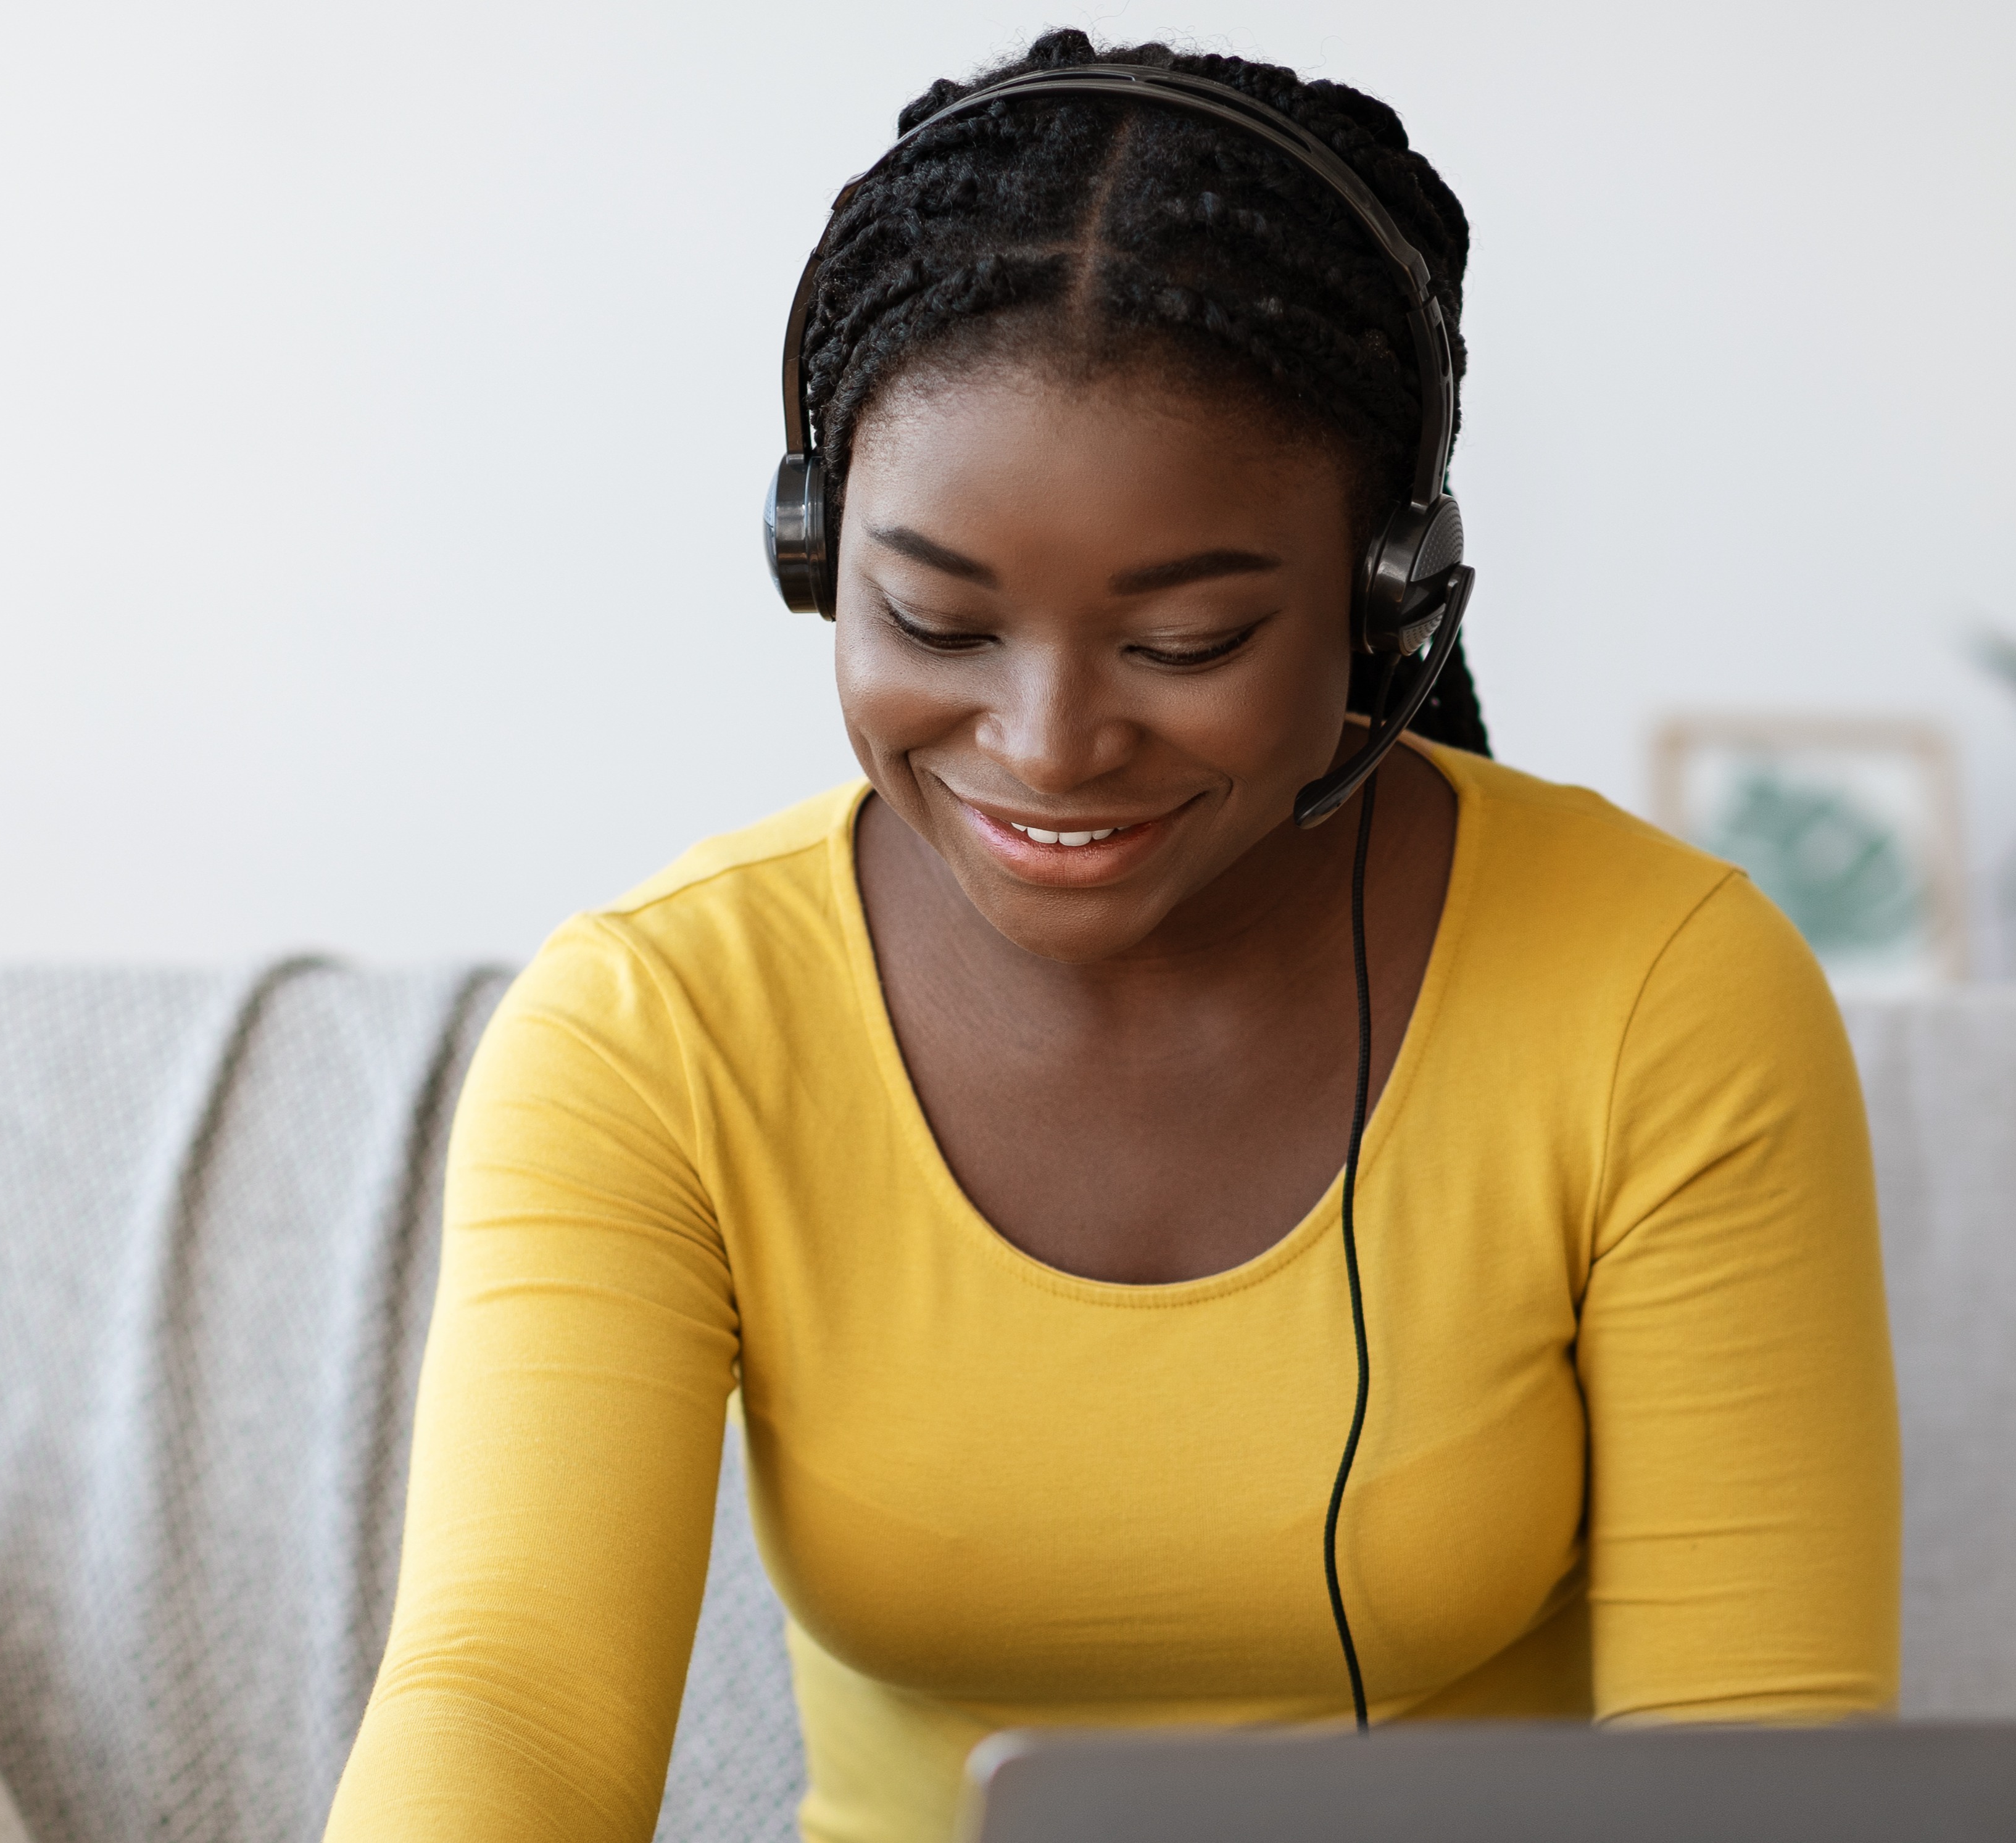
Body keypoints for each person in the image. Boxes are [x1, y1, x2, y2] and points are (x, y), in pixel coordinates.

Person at [325, 31, 1897, 1843]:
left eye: (1186, 644)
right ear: (816, 556)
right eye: (935, 618)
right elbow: (505, 1700)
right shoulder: (652, 1029)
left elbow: (1766, 1775)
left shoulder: (1662, 992)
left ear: (1389, 606)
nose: (1049, 744)